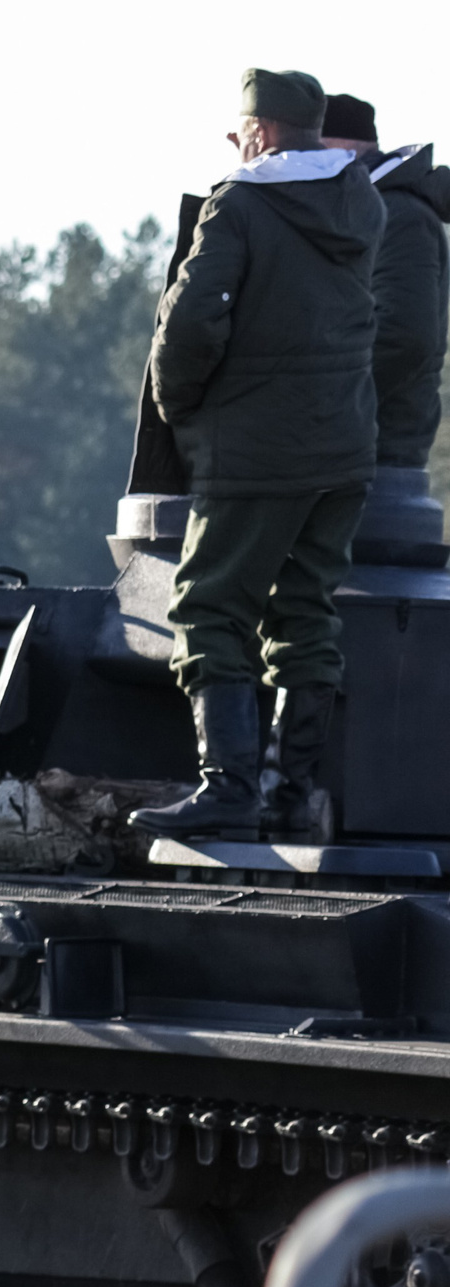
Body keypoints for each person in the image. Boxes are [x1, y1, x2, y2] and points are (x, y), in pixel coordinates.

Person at [128, 69, 385, 845]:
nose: (236, 145)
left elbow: (192, 320)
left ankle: (228, 788)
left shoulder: (239, 203)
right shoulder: (361, 201)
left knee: (208, 604)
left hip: (256, 451)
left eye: (241, 132)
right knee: (305, 611)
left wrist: (179, 408)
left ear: (262, 132)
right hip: (345, 446)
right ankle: (288, 791)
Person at [322, 95, 450, 477]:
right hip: (353, 448)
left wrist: (320, 402)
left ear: (339, 147)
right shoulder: (372, 211)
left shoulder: (397, 216)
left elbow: (404, 335)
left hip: (380, 455)